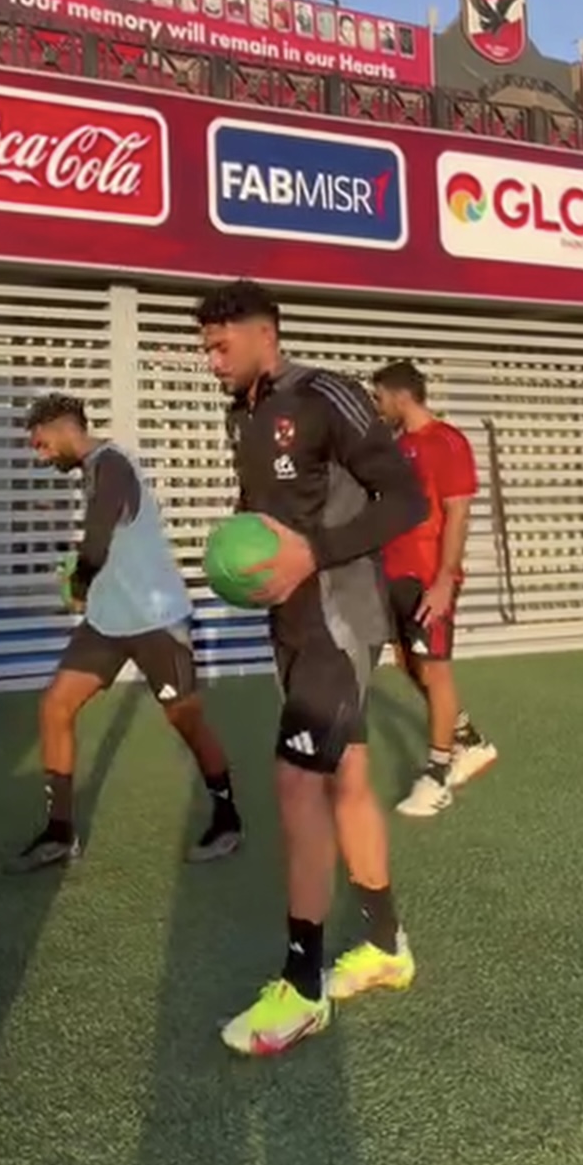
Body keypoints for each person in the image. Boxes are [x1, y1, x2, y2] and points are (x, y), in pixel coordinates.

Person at [194, 280, 428, 1056]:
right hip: (290, 623)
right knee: (348, 778)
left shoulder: (327, 395)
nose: (211, 359)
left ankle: (301, 989)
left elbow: (407, 500)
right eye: (204, 347)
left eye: (220, 344)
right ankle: (386, 948)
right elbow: (270, 515)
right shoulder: (243, 414)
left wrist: (313, 554)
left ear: (265, 331)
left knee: (297, 783)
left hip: (339, 618)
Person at [9, 394, 243, 874]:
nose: (41, 455)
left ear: (64, 427)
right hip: (108, 622)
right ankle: (60, 832)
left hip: (156, 621)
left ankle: (228, 821)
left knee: (186, 721)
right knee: (55, 707)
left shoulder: (111, 464)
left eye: (41, 443)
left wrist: (78, 585)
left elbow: (97, 542)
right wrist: (87, 587)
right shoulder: (93, 469)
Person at [372, 360, 498, 815]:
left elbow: (458, 514)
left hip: (429, 575)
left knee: (436, 670)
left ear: (400, 395)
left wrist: (445, 578)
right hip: (394, 572)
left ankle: (438, 772)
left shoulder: (447, 441)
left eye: (379, 397)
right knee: (409, 664)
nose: (377, 406)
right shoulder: (397, 445)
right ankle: (468, 739)